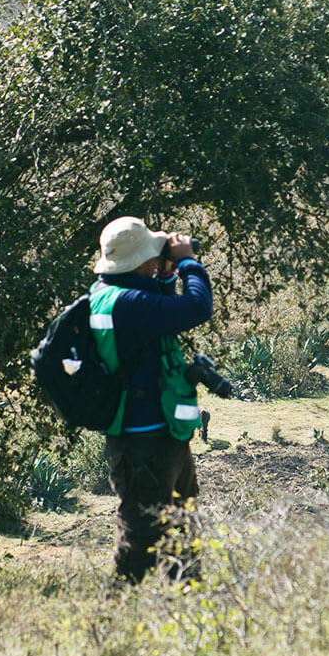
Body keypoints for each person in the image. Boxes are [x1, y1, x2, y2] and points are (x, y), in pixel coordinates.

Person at [90, 216, 213, 584]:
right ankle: (113, 619)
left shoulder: (110, 294)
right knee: (141, 540)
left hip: (161, 436)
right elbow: (196, 307)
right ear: (140, 261)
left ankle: (189, 617)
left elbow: (153, 314)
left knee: (182, 531)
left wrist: (164, 275)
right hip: (143, 442)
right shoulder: (127, 303)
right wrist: (189, 262)